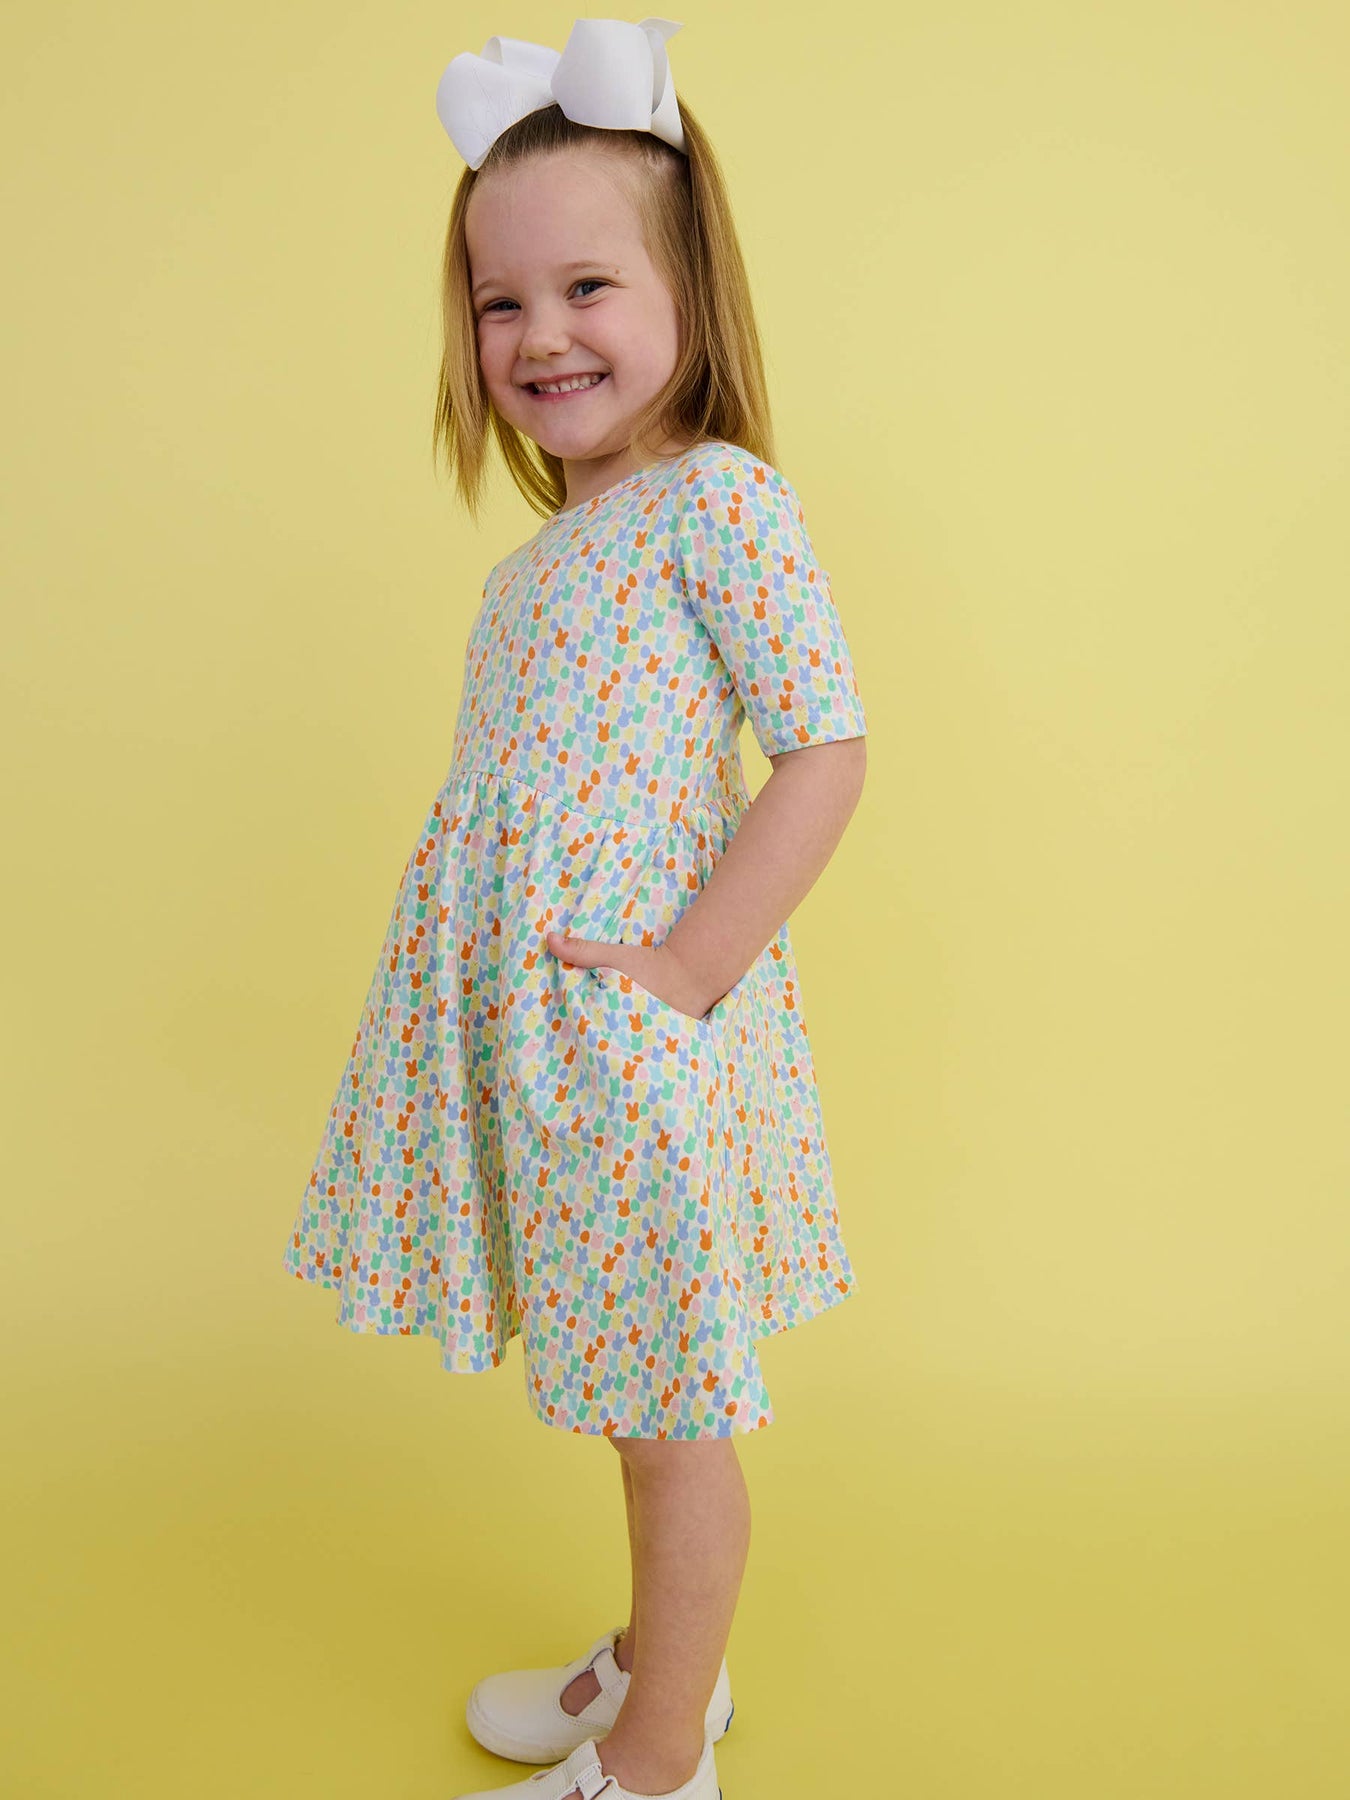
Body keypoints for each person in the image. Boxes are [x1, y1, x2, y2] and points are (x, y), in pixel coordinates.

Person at [282, 19, 869, 1800]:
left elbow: (825, 750)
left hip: (633, 1043)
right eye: (499, 302)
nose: (540, 336)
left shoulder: (717, 505)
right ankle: (663, 1660)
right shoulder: (538, 566)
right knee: (632, 1400)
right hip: (550, 1046)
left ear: (692, 290)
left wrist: (689, 967)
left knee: (668, 1418)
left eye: (587, 287)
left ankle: (660, 1757)